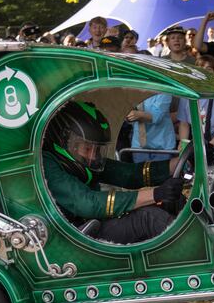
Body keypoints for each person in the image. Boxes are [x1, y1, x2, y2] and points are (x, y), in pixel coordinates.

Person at [42, 100, 184, 243]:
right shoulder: (48, 166)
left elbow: (129, 175)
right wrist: (155, 193)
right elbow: (88, 204)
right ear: (65, 143)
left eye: (96, 149)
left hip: (91, 224)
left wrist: (180, 162)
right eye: (87, 148)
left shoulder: (84, 161)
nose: (93, 155)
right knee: (148, 218)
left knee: (171, 202)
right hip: (73, 237)